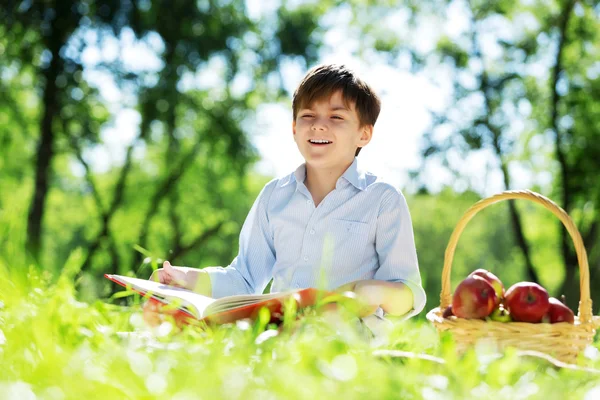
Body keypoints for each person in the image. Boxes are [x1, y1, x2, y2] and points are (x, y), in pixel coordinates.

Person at [149, 64, 426, 322]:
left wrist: (374, 292)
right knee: (167, 318)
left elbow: (409, 292)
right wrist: (186, 278)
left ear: (364, 135)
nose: (319, 125)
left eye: (336, 116)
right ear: (294, 129)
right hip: (277, 331)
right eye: (308, 116)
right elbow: (245, 278)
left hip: (349, 340)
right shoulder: (275, 196)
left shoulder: (383, 199)